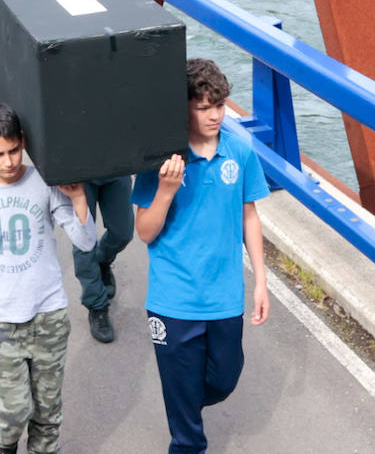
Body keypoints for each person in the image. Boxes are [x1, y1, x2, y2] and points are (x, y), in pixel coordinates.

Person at [132, 58, 270, 454]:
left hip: (225, 295)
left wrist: (260, 281)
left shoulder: (240, 154)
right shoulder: (160, 162)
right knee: (187, 426)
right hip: (173, 300)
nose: (214, 115)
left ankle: (185, 401)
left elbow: (250, 216)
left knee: (224, 379)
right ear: (184, 109)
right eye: (203, 106)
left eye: (220, 105)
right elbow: (145, 232)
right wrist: (165, 190)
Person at [0, 103, 95, 454]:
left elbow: (85, 241)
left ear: (23, 141)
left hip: (49, 315)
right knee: (15, 409)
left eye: (15, 150)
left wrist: (79, 196)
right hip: (2, 318)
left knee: (48, 412)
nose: (8, 162)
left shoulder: (45, 180)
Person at [72, 174, 134, 344]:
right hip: (78, 169)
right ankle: (97, 305)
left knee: (123, 233)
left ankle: (103, 260)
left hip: (115, 165)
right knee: (83, 243)